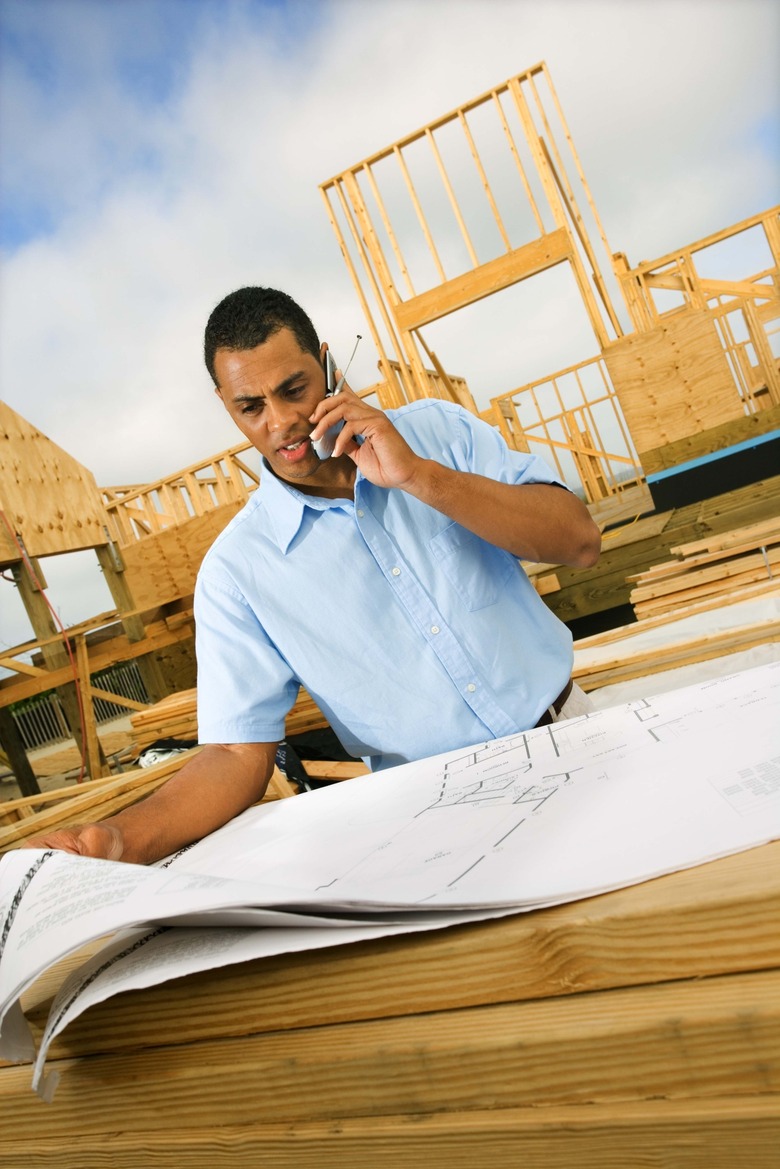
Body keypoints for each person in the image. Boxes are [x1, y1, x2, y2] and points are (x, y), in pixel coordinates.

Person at [25, 286, 601, 864]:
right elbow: (233, 754)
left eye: (293, 390)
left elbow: (577, 541)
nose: (280, 423)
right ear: (226, 403)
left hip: (574, 733)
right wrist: (122, 838)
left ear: (326, 362)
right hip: (439, 811)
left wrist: (419, 476)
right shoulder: (238, 572)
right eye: (251, 407)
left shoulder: (439, 434)